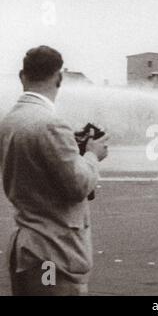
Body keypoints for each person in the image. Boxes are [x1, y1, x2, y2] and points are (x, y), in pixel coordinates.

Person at [0, 46, 109, 295]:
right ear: (59, 78)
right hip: (51, 256)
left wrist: (72, 148)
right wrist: (92, 154)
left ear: (21, 76)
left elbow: (38, 170)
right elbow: (79, 184)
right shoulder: (51, 125)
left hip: (26, 249)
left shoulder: (9, 121)